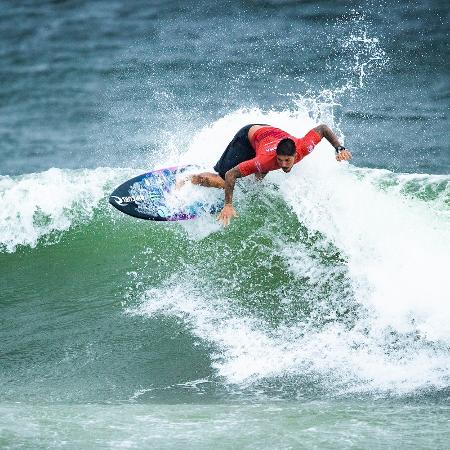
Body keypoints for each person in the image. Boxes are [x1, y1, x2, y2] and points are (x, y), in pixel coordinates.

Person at [187, 123, 352, 226]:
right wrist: (228, 204)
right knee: (223, 180)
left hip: (267, 137)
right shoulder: (265, 160)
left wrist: (339, 148)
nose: (284, 165)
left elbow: (322, 129)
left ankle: (246, 184)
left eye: (287, 160)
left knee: (256, 179)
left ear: (296, 154)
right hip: (248, 137)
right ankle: (189, 178)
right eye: (280, 160)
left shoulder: (304, 146)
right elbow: (231, 174)